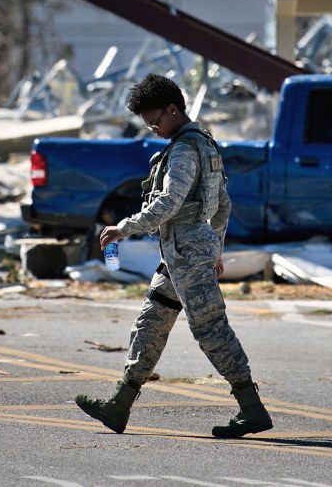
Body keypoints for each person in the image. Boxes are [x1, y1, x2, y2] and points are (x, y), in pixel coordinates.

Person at [74, 73, 272, 439]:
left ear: (173, 108)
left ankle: (251, 408)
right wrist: (216, 247)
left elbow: (169, 201)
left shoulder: (183, 149)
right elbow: (223, 205)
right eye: (149, 124)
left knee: (211, 329)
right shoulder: (206, 145)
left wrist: (125, 227)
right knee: (151, 324)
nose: (155, 129)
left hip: (186, 252)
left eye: (157, 121)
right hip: (184, 254)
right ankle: (119, 405)